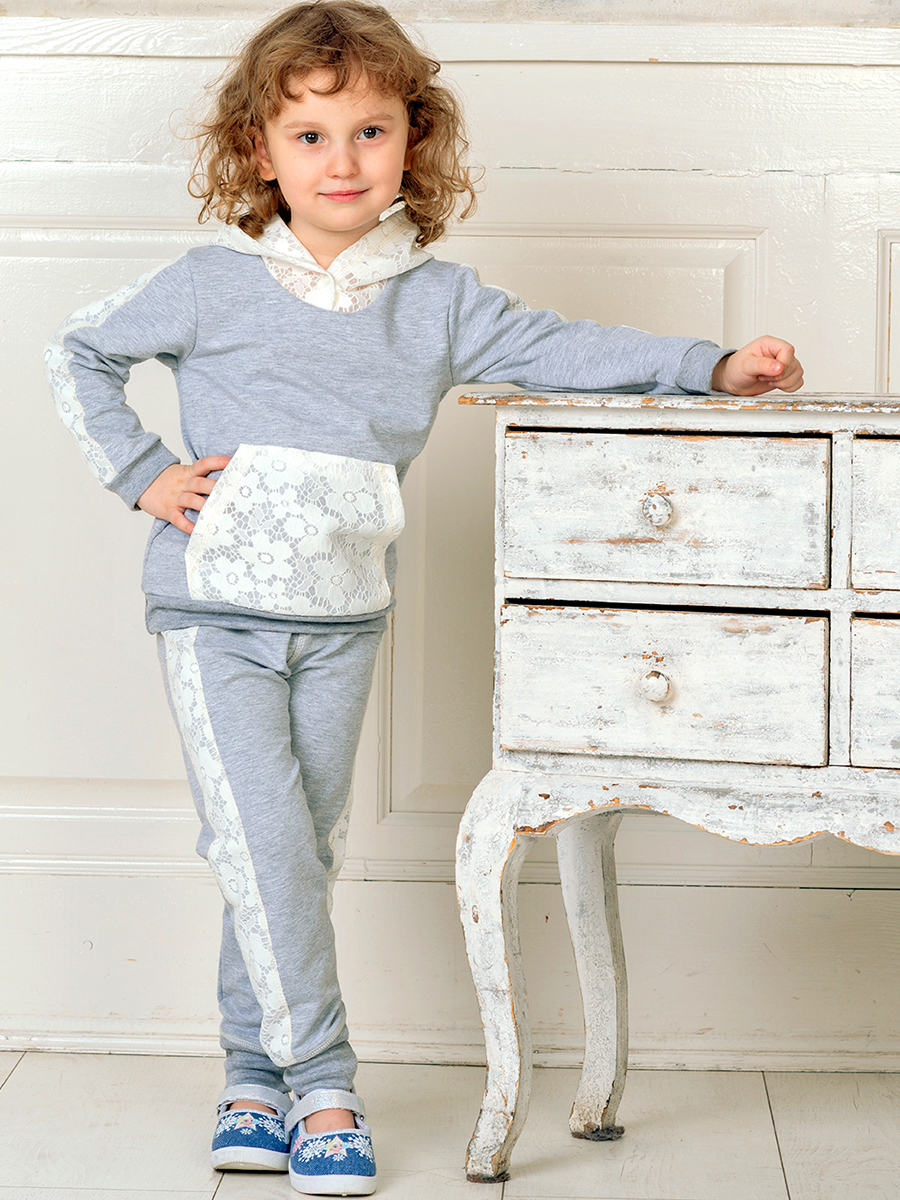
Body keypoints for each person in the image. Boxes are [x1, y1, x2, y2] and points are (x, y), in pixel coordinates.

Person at [44, 1, 803, 1194]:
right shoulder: (210, 284)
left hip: (343, 617)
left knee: (293, 852)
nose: (341, 161)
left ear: (414, 140)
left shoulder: (437, 301)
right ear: (260, 151)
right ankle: (323, 1084)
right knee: (262, 840)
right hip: (213, 611)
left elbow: (563, 347)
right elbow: (78, 349)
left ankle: (250, 1075)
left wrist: (706, 367)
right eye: (310, 136)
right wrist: (143, 472)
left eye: (370, 131)